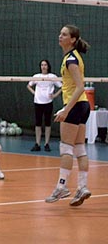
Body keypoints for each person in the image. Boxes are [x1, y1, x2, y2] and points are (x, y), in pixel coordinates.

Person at [45, 25, 91, 206]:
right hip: (83, 105)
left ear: (72, 39)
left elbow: (80, 86)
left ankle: (61, 187)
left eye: (64, 34)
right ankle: (82, 187)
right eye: (60, 33)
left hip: (75, 104)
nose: (60, 36)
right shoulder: (72, 57)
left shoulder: (71, 59)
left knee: (66, 148)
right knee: (80, 148)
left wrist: (65, 109)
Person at [27, 60, 62, 152]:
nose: (43, 66)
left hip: (48, 102)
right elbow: (29, 86)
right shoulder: (36, 76)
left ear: (48, 66)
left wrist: (54, 95)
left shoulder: (52, 77)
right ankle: (37, 144)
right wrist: (34, 93)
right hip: (38, 102)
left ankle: (46, 144)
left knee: (47, 123)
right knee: (38, 123)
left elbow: (62, 87)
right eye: (42, 65)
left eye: (45, 65)